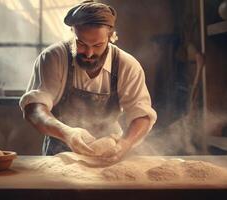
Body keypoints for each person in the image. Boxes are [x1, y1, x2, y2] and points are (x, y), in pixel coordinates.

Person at [20, 0, 156, 163]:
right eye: (81, 43)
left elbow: (141, 115)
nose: (89, 53)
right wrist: (67, 133)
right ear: (72, 32)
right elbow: (34, 109)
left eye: (98, 45)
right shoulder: (53, 58)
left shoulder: (127, 65)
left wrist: (125, 144)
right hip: (60, 154)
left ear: (111, 37)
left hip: (109, 154)